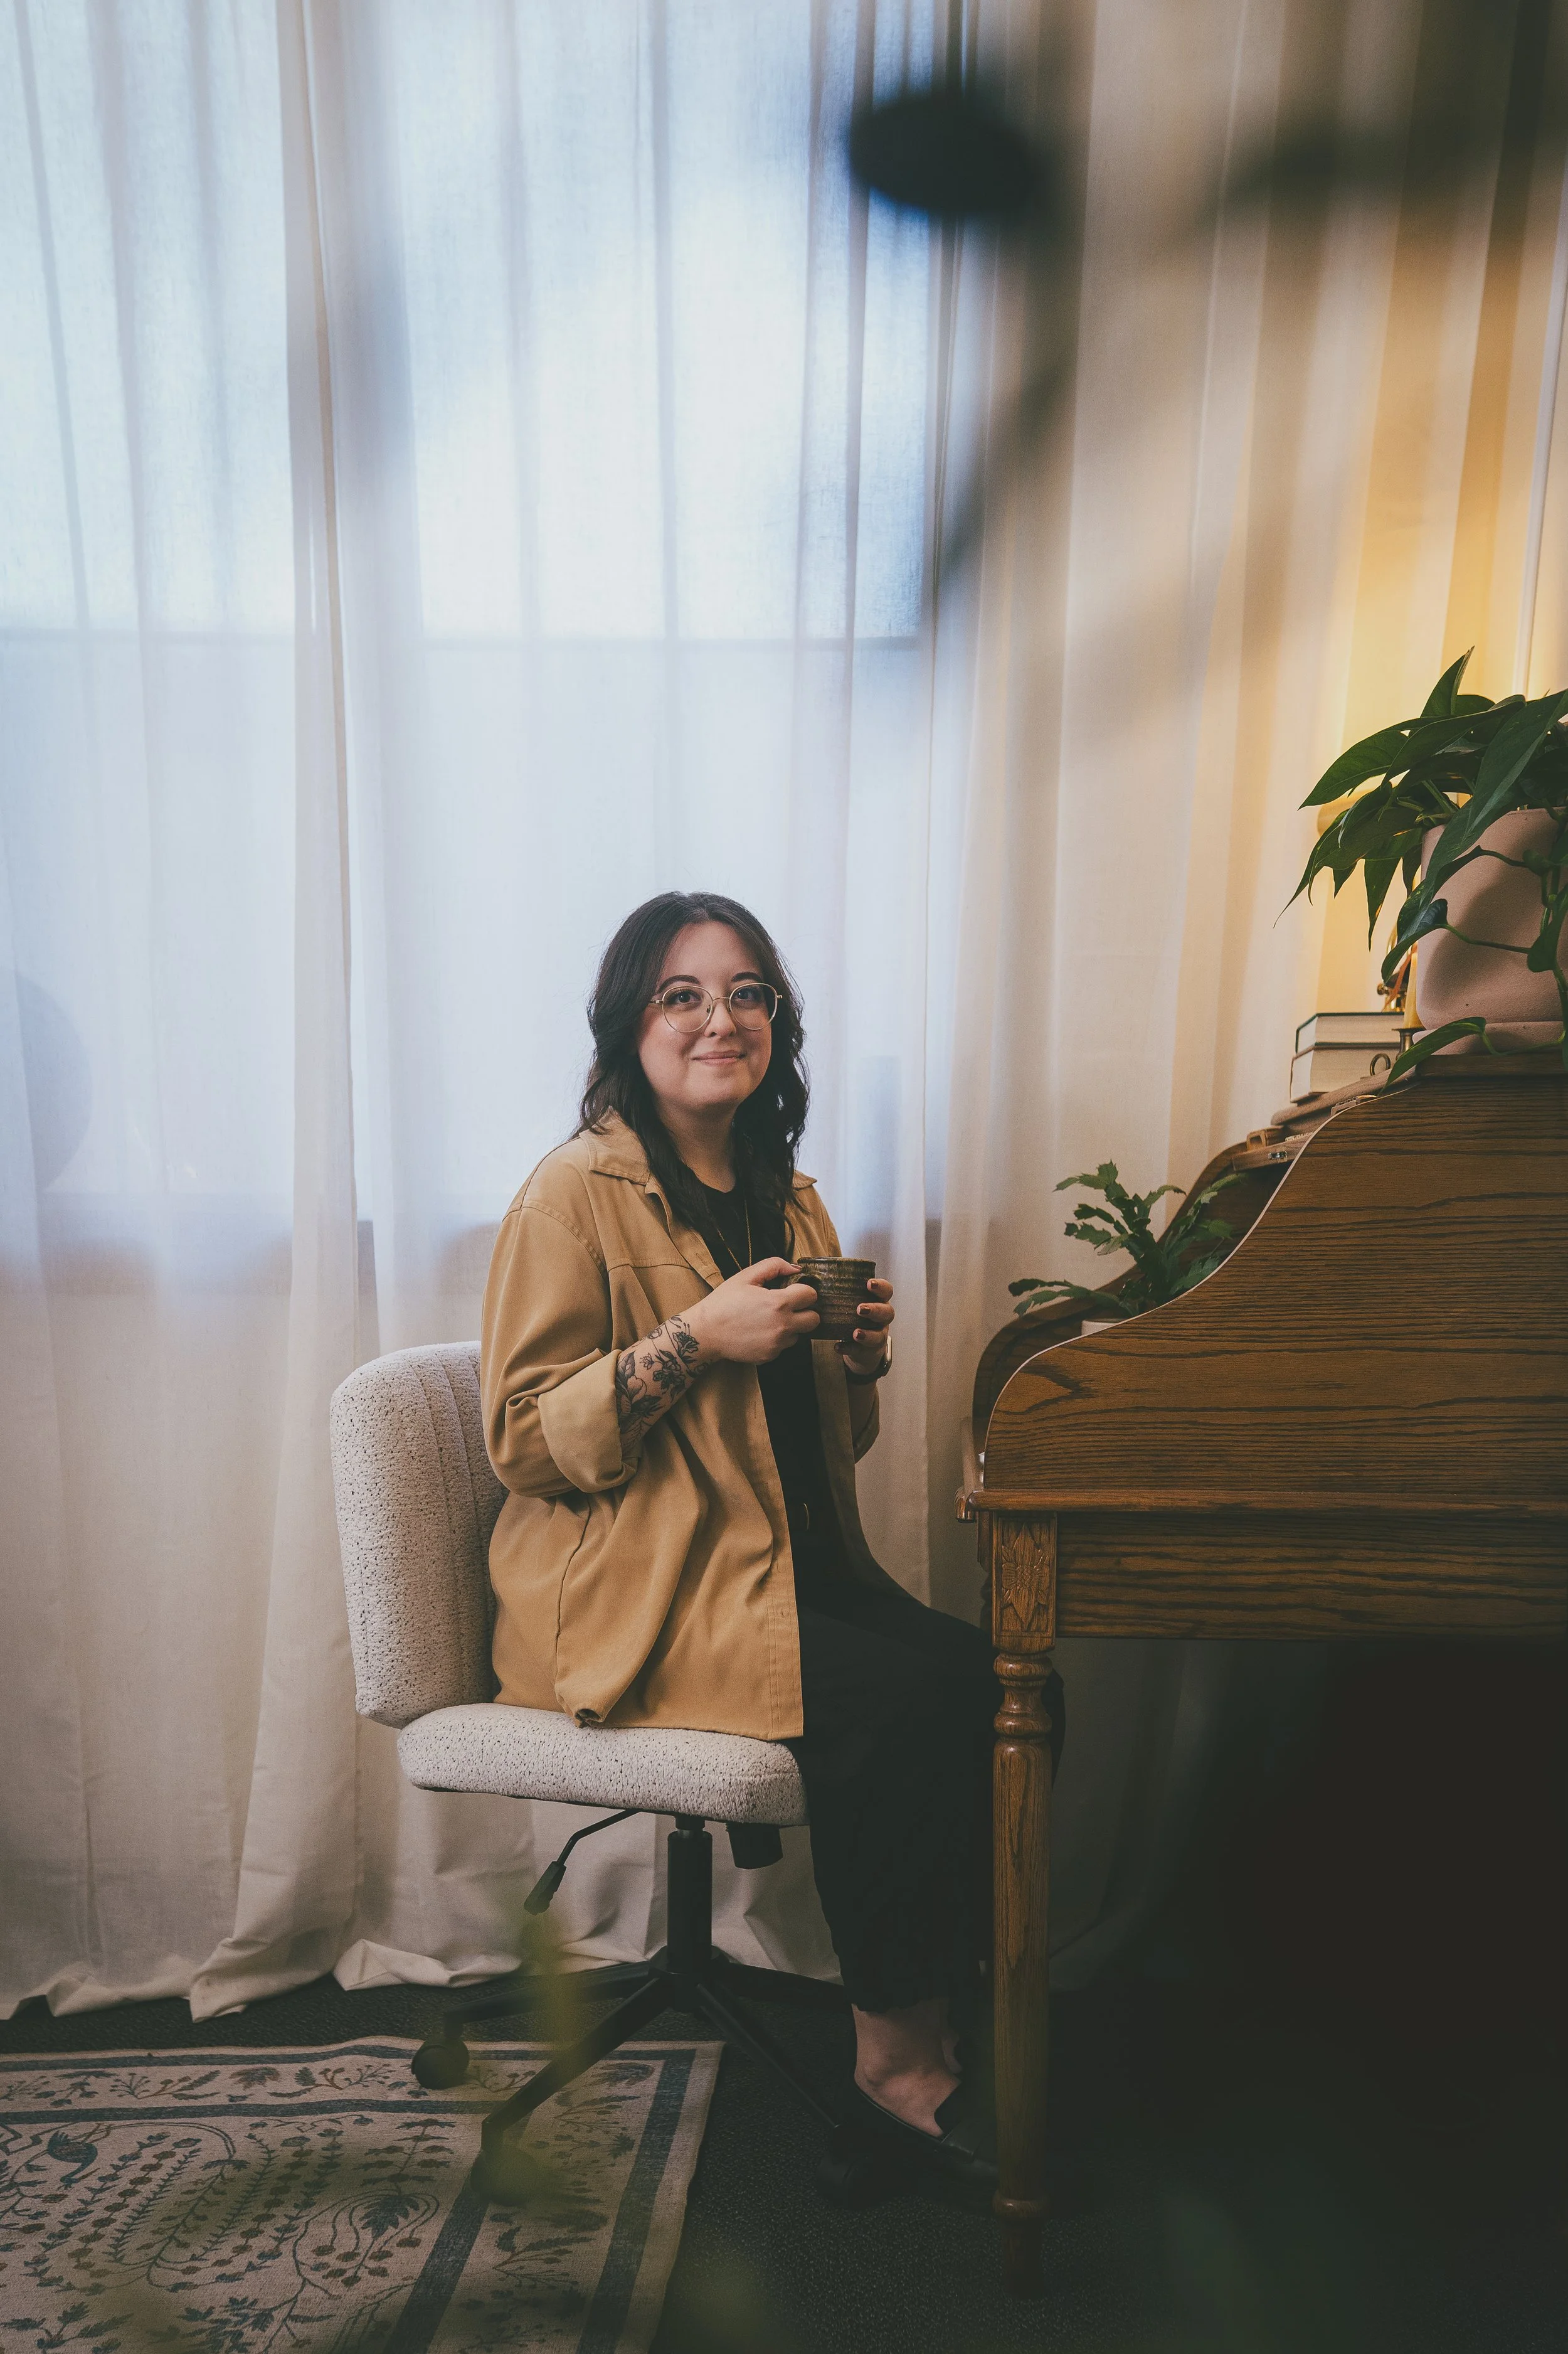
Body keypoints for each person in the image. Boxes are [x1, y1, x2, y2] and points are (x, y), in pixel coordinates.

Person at [480, 890, 1062, 2181]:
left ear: (775, 1023)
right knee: (906, 1700)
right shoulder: (569, 1197)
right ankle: (896, 2073)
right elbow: (520, 1437)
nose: (717, 1018)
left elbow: (817, 1452)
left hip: (780, 1570)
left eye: (746, 991)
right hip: (642, 1592)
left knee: (998, 1681)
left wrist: (847, 1364)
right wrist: (691, 1340)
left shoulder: (787, 1200)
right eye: (681, 994)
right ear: (629, 1025)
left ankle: (964, 2008)